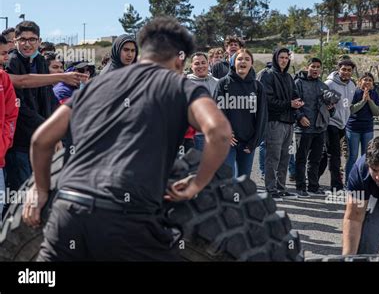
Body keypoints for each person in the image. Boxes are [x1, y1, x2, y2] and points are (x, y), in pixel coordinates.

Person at [22, 16, 232, 261]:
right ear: (180, 58)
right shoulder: (180, 86)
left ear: (142, 51)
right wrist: (196, 184)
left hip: (67, 212)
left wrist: (41, 189)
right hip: (129, 218)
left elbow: (41, 139)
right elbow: (219, 133)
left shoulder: (96, 85)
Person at [5, 21, 57, 192]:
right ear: (15, 41)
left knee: (40, 192)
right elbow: (18, 106)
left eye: (32, 39)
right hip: (19, 142)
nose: (27, 44)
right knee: (21, 195)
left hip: (39, 140)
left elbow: (48, 96)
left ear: (39, 41)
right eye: (23, 39)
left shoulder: (41, 61)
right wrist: (47, 126)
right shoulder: (12, 62)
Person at [214, 49, 267, 179]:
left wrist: (254, 141)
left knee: (243, 180)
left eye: (247, 59)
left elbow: (262, 117)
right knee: (227, 178)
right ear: (233, 63)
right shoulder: (223, 84)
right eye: (239, 59)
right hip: (228, 141)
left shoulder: (257, 87)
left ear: (251, 64)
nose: (243, 61)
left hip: (248, 142)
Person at [259, 48, 303, 200]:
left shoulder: (289, 77)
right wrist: (289, 104)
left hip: (289, 122)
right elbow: (267, 100)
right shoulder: (267, 75)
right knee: (273, 157)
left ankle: (281, 188)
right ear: (275, 58)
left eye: (286, 57)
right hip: (274, 122)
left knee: (285, 156)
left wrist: (297, 102)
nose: (284, 60)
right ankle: (271, 190)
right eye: (281, 57)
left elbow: (295, 95)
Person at [293, 57, 333, 197]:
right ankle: (300, 187)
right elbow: (293, 103)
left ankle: (313, 186)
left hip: (320, 128)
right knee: (301, 159)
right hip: (303, 128)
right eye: (313, 66)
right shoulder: (298, 83)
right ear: (307, 67)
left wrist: (330, 107)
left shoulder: (324, 86)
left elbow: (330, 111)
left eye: (318, 67)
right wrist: (300, 117)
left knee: (315, 160)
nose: (315, 69)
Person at [324, 58, 356, 191]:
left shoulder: (352, 85)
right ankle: (336, 185)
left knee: (325, 155)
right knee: (335, 155)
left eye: (349, 70)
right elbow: (323, 104)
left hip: (343, 124)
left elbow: (348, 106)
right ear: (338, 70)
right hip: (331, 123)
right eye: (343, 69)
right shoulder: (329, 84)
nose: (346, 72)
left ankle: (312, 180)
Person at [345, 72, 379, 180]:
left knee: (367, 157)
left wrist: (369, 100)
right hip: (353, 128)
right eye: (365, 80)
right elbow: (351, 110)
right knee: (353, 156)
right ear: (359, 82)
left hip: (367, 129)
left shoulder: (374, 94)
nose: (367, 82)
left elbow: (377, 112)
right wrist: (363, 101)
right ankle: (349, 181)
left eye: (370, 80)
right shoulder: (354, 92)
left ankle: (363, 180)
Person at [0, 35, 19, 218]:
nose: (6, 58)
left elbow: (11, 115)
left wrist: (4, 143)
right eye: (2, 53)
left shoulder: (3, 79)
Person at [186, 52, 219, 151]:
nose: (200, 66)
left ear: (208, 63)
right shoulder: (184, 83)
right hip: (193, 136)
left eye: (203, 62)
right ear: (191, 66)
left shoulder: (218, 83)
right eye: (196, 63)